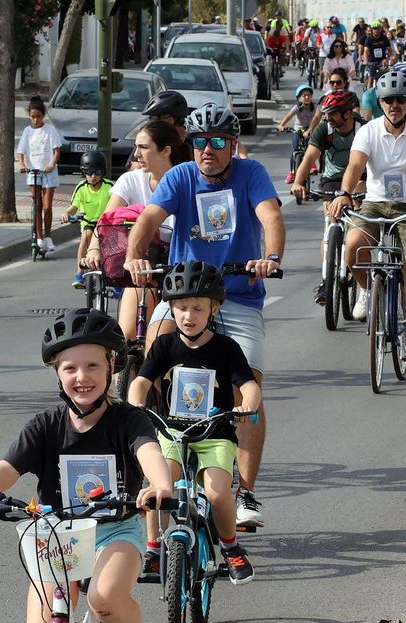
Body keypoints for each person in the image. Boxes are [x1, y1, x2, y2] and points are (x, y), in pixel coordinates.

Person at [0, 308, 178, 623]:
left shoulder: (130, 419)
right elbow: (8, 467)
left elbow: (149, 452)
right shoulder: (46, 425)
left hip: (116, 531)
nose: (81, 376)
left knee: (104, 598)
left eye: (92, 365)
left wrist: (160, 485)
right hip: (59, 535)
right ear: (57, 373)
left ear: (112, 366)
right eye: (70, 367)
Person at [124, 103, 284, 529]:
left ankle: (244, 491)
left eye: (216, 142)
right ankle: (155, 467)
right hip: (184, 293)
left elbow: (270, 215)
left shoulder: (251, 175)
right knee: (152, 362)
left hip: (238, 294)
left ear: (233, 144)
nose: (206, 150)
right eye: (198, 142)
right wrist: (134, 257)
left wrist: (269, 257)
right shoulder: (179, 177)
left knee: (247, 386)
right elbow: (149, 218)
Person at [128, 261, 260, 584]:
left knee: (217, 494)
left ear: (213, 309)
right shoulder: (164, 345)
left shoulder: (226, 349)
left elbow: (249, 386)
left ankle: (230, 547)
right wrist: (134, 403)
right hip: (172, 431)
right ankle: (153, 549)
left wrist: (247, 406)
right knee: (160, 487)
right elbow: (141, 381)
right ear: (171, 309)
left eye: (197, 308)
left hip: (216, 433)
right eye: (181, 308)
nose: (189, 316)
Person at [327, 69, 406, 361]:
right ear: (380, 102)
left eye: (401, 100)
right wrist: (344, 192)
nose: (395, 105)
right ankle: (367, 290)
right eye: (389, 100)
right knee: (353, 248)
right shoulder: (368, 131)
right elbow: (355, 167)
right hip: (375, 203)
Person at [87, 121, 190, 340]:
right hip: (140, 273)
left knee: (169, 340)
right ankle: (124, 371)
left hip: (180, 273)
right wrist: (94, 250)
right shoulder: (131, 180)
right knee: (128, 335)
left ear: (166, 151)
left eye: (143, 147)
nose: (136, 154)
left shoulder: (186, 182)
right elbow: (106, 221)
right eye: (136, 147)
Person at [293, 89, 361, 304]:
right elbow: (310, 157)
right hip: (332, 180)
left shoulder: (363, 129)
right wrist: (298, 182)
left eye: (332, 113)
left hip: (361, 177)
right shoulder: (325, 129)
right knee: (330, 223)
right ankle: (326, 279)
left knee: (358, 224)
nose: (327, 117)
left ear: (347, 114)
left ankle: (361, 277)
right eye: (326, 113)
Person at [16, 96, 63, 253]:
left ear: (43, 115)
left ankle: (48, 236)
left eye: (38, 116)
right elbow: (21, 152)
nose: (35, 120)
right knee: (37, 205)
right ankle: (39, 237)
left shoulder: (50, 130)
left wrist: (51, 165)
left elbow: (57, 151)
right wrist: (22, 164)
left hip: (48, 172)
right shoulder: (27, 132)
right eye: (32, 117)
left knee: (48, 206)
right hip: (33, 172)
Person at [65, 150, 113, 282]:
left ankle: (113, 276)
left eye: (97, 172)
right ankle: (80, 273)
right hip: (87, 223)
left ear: (103, 172)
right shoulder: (81, 187)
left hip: (106, 224)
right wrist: (67, 214)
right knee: (85, 238)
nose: (93, 176)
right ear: (83, 173)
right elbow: (73, 207)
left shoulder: (109, 187)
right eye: (88, 172)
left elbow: (118, 205)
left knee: (112, 247)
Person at [276, 85, 317, 184]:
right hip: (298, 130)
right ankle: (292, 172)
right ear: (298, 98)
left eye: (308, 95)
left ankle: (312, 165)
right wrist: (281, 125)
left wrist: (312, 129)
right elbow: (288, 116)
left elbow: (317, 118)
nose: (306, 97)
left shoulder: (315, 108)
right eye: (304, 95)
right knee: (295, 150)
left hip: (309, 131)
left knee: (310, 148)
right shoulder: (297, 108)